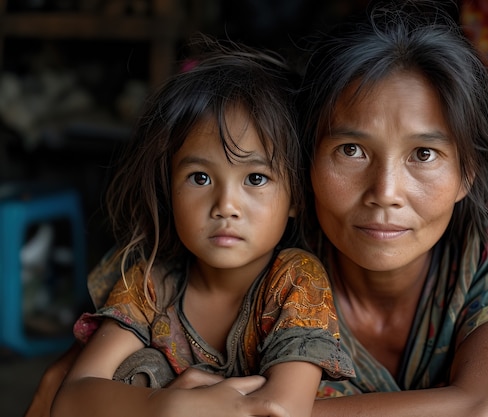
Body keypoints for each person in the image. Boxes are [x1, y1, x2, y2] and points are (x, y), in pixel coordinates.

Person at [28, 1, 488, 416]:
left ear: (466, 171)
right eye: (351, 150)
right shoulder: (259, 249)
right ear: (301, 164)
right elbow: (71, 384)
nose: (385, 191)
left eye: (423, 154)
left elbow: (486, 407)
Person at [48, 34, 354, 417]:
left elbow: (281, 408)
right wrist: (170, 403)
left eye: (255, 179)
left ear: (295, 198)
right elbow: (73, 398)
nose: (225, 206)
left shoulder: (294, 279)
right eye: (200, 178)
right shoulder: (151, 285)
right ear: (169, 188)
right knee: (140, 371)